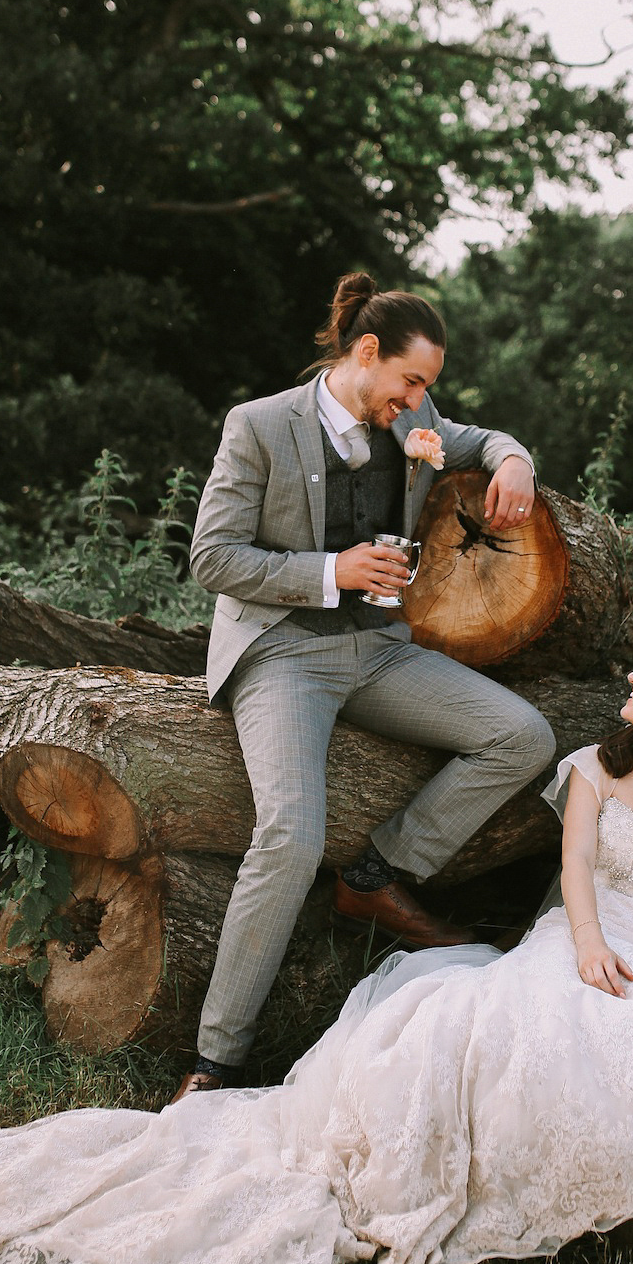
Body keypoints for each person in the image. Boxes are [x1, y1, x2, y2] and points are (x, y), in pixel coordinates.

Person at [0, 634, 633, 1264]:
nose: (631, 675)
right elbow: (575, 871)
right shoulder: (594, 771)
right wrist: (580, 944)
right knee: (510, 1033)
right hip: (578, 939)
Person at [174, 271, 556, 1098]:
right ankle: (215, 1060)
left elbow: (474, 437)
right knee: (290, 836)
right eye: (413, 379)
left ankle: (378, 873)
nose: (421, 400)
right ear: (367, 353)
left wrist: (515, 457)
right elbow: (211, 558)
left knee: (524, 735)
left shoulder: (411, 418)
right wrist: (330, 570)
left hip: (379, 649)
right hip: (283, 653)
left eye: (429, 388)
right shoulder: (259, 425)